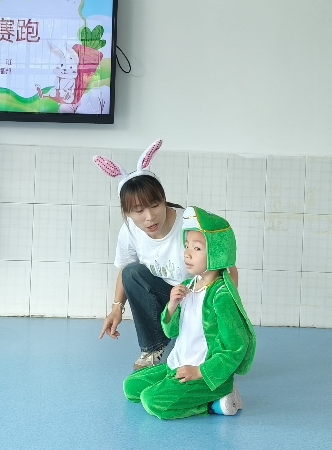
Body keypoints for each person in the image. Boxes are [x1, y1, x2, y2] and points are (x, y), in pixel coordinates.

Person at [94, 140, 238, 370]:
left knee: (198, 363)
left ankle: (194, 340)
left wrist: (224, 306)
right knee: (132, 272)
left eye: (155, 205)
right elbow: (126, 271)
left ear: (163, 200)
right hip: (166, 300)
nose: (149, 217)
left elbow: (224, 265)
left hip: (195, 298)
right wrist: (116, 307)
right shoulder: (129, 231)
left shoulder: (189, 223)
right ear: (127, 213)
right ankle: (153, 347)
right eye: (139, 211)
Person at [122, 207, 256, 419]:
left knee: (152, 402)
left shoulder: (220, 296)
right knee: (131, 387)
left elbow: (236, 347)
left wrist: (199, 371)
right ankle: (182, 387)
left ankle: (215, 402)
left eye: (197, 248)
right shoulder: (188, 286)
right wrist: (172, 306)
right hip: (177, 366)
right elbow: (171, 331)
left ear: (217, 253)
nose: (187, 253)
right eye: (186, 246)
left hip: (204, 374)